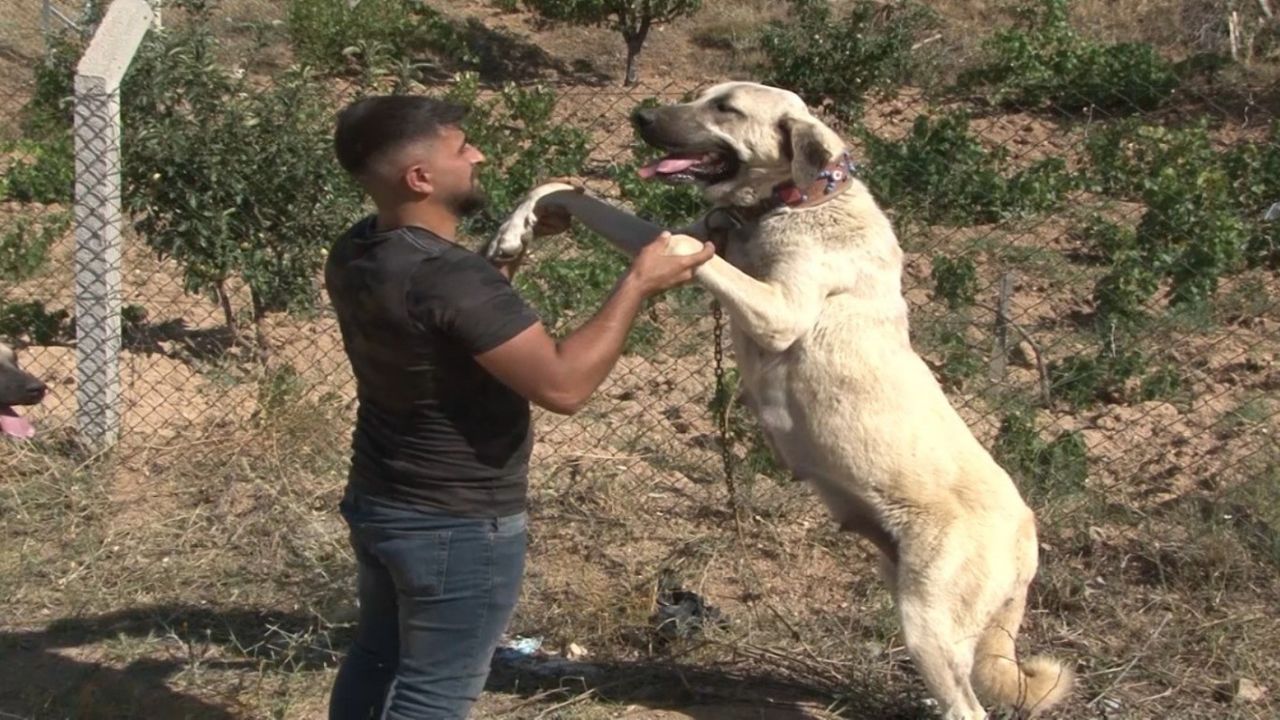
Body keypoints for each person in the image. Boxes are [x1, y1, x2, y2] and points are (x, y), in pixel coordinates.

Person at [324, 94, 715, 720]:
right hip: (457, 523)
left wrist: (508, 254)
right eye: (460, 149)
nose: (477, 154)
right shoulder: (452, 278)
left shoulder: (359, 248)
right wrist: (637, 282)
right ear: (420, 178)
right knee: (435, 692)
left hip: (383, 500)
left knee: (378, 656)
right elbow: (563, 387)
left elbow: (451, 326)